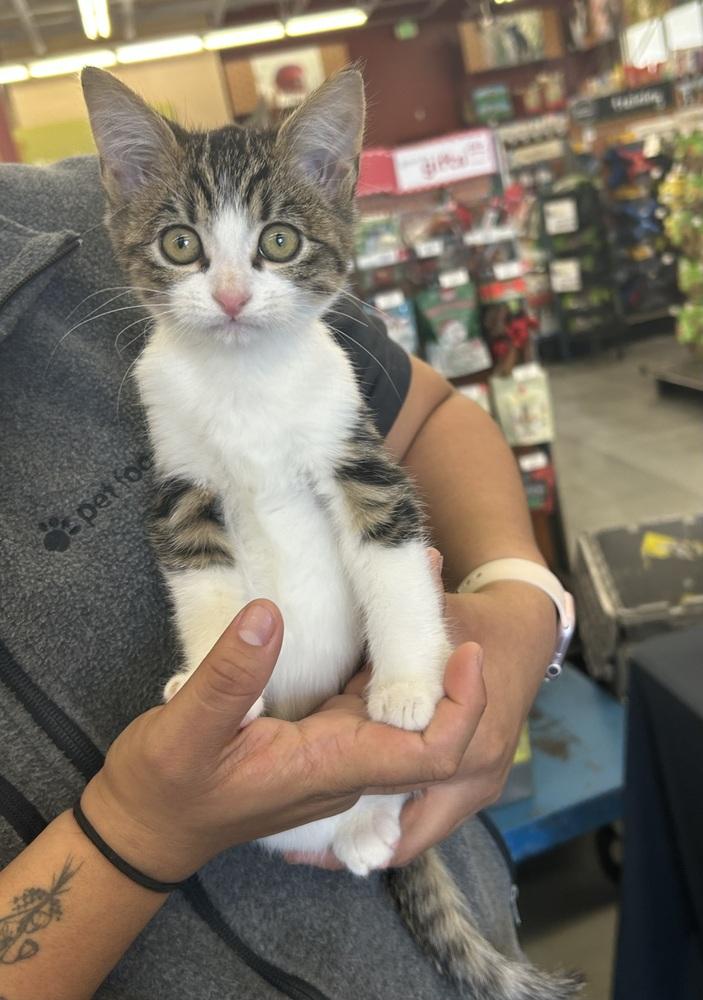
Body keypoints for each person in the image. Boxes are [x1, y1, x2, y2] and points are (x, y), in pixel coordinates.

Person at [0, 155, 557, 999]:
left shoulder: (90, 197)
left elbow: (419, 438)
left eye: (276, 244)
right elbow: (189, 530)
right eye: (185, 247)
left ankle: (381, 820)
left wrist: (524, 606)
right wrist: (137, 831)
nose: (228, 292)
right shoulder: (164, 372)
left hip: (417, 799)